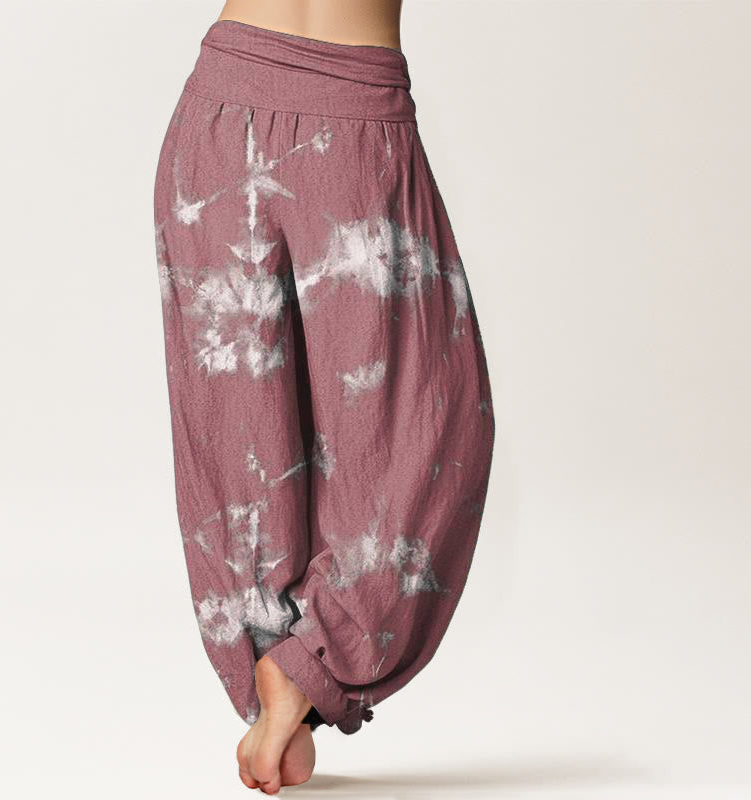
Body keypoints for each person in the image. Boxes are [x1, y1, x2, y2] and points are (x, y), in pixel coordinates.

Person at [153, 0, 496, 793]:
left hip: (216, 117)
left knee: (244, 440)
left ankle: (285, 685)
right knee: (416, 420)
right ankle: (295, 676)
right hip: (348, 132)